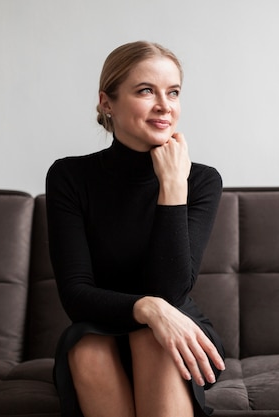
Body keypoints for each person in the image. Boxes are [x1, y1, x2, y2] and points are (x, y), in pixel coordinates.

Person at [46, 41, 226, 417]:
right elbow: (75, 294)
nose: (165, 105)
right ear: (106, 102)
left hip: (174, 328)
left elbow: (171, 291)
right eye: (147, 90)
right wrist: (147, 308)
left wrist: (174, 186)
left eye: (173, 92)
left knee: (154, 341)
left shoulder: (202, 180)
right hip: (102, 325)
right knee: (87, 345)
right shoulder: (70, 177)